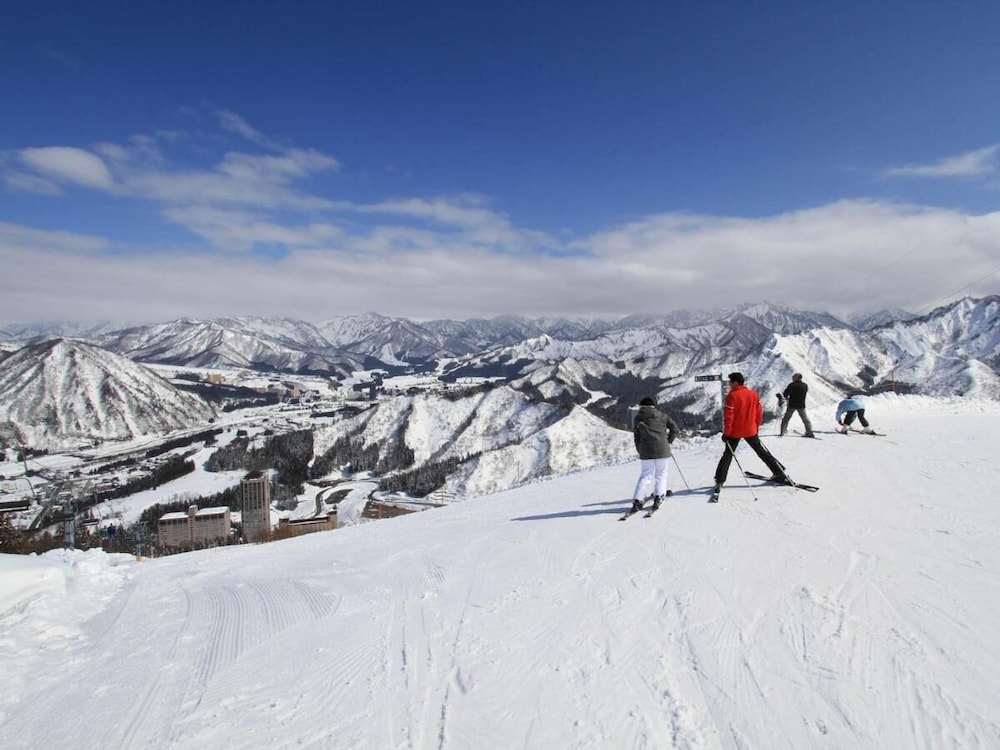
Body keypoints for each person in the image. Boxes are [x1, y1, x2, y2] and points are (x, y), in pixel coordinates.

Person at [714, 372, 790, 493]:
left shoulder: (732, 396)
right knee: (762, 452)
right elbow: (759, 412)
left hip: (735, 432)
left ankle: (720, 480)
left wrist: (726, 433)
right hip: (751, 430)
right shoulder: (753, 394)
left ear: (735, 383)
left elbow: (729, 417)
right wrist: (756, 426)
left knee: (727, 456)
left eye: (730, 382)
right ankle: (779, 473)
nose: (729, 384)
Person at [630, 397, 680, 513]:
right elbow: (675, 428)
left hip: (646, 450)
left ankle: (638, 499)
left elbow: (636, 437)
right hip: (662, 449)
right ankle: (659, 496)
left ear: (641, 406)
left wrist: (640, 449)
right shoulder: (662, 415)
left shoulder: (637, 418)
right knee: (661, 474)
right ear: (653, 406)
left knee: (645, 475)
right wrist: (668, 441)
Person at [779, 373, 815, 437]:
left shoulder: (792, 385)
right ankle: (809, 431)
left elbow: (785, 394)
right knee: (805, 418)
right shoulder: (805, 385)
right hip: (801, 404)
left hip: (792, 404)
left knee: (786, 418)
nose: (792, 378)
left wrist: (787, 398)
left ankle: (783, 431)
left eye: (793, 377)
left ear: (796, 378)